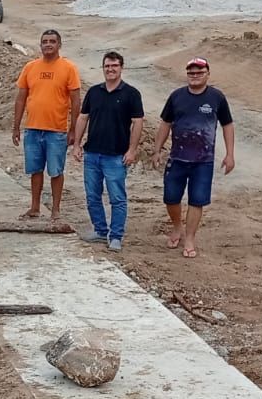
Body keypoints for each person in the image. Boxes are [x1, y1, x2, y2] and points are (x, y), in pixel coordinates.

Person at [150, 57, 235, 258]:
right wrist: (157, 149)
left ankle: (189, 237)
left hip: (203, 161)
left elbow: (227, 125)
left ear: (207, 73)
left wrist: (230, 154)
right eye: (191, 73)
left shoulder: (217, 97)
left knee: (197, 201)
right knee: (171, 198)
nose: (195, 76)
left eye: (199, 72)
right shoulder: (176, 96)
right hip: (177, 158)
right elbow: (165, 123)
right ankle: (177, 226)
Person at [73, 50, 144, 251]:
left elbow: (138, 123)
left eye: (114, 66)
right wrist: (77, 145)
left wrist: (132, 150)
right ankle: (100, 230)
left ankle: (116, 236)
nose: (110, 69)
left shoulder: (131, 94)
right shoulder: (94, 92)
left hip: (116, 157)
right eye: (107, 66)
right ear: (103, 68)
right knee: (92, 195)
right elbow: (83, 118)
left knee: (117, 198)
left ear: (121, 68)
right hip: (92, 154)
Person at [11, 29, 81, 220]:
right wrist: (16, 126)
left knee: (56, 171)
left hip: (57, 131)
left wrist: (74, 130)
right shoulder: (30, 67)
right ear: (40, 45)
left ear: (59, 45)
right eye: (44, 41)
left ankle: (55, 209)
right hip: (32, 129)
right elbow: (20, 99)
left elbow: (76, 101)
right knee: (35, 170)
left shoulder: (69, 68)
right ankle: (35, 207)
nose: (48, 44)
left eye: (52, 41)